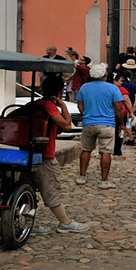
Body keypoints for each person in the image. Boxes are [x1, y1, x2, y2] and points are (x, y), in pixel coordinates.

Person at [28, 74, 90, 233]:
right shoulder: (49, 106)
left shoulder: (33, 104)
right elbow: (67, 125)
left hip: (27, 152)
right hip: (45, 155)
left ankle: (29, 223)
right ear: (60, 91)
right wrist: (63, 106)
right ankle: (65, 222)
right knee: (51, 189)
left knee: (28, 188)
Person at [75, 63, 126, 189]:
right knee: (106, 152)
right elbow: (118, 107)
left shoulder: (84, 88)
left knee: (86, 149)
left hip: (88, 122)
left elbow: (80, 105)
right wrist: (121, 124)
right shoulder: (113, 88)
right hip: (107, 124)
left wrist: (85, 114)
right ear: (105, 74)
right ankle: (104, 180)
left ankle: (82, 176)